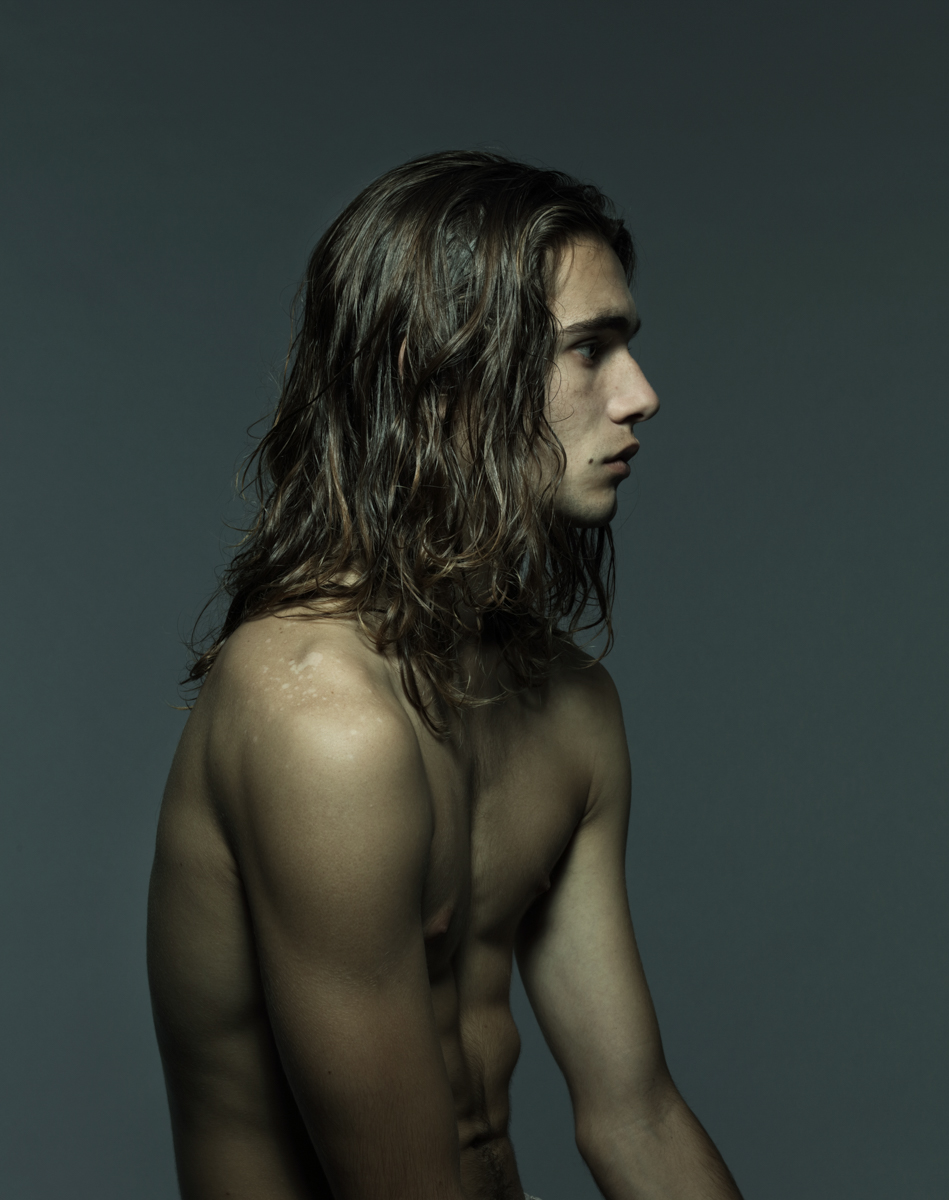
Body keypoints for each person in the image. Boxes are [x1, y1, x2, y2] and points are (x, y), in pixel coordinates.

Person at [147, 150, 743, 1200]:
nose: (641, 395)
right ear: (444, 373)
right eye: (588, 350)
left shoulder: (571, 707)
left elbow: (636, 1120)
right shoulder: (320, 722)